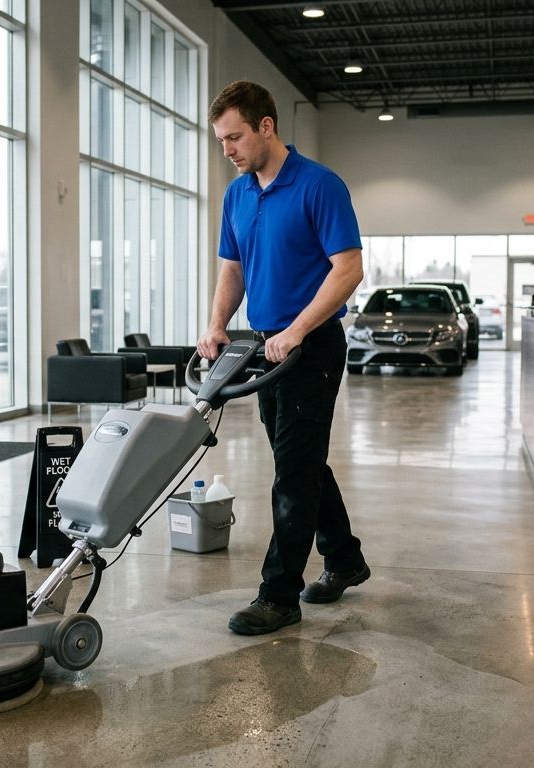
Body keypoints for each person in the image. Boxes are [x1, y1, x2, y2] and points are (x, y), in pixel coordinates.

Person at [198, 80, 370, 636]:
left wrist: (297, 330)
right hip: (264, 348)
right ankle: (344, 558)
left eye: (235, 137)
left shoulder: (320, 186)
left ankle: (279, 595)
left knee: (293, 473)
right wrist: (216, 326)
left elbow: (348, 268)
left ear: (266, 126)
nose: (228, 150)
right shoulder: (238, 194)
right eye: (221, 140)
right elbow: (234, 268)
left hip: (310, 346)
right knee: (302, 462)